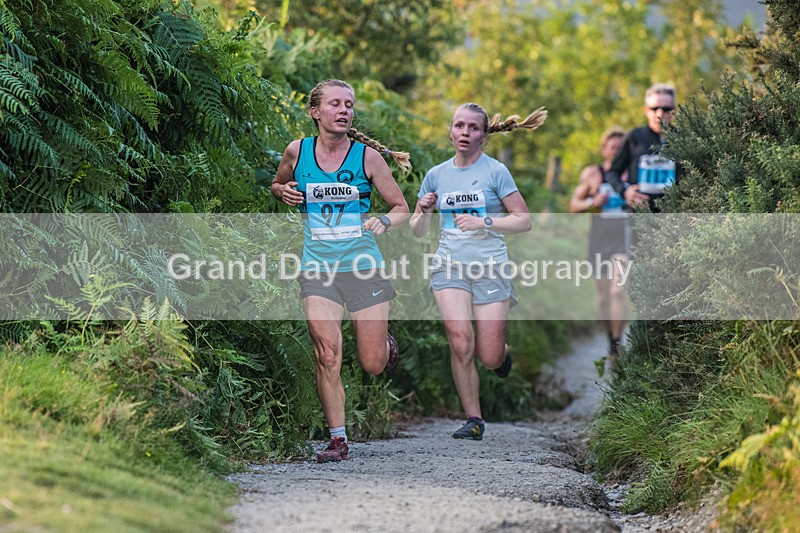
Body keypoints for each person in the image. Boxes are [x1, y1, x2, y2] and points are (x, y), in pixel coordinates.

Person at [271, 79, 410, 463]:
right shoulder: (297, 152)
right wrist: (282, 192)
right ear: (316, 112)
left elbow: (401, 207)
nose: (344, 110)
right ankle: (337, 439)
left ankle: (384, 345)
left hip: (363, 267)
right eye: (335, 104)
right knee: (327, 352)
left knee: (372, 363)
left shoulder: (367, 158)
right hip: (317, 267)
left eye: (349, 104)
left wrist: (384, 221)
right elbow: (278, 183)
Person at [409, 103, 546, 441]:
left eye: (472, 128)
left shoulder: (496, 171)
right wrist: (424, 211)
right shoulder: (436, 174)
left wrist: (484, 220)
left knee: (488, 356)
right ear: (451, 131)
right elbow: (416, 230)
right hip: (448, 264)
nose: (465, 133)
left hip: (490, 266)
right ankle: (473, 418)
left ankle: (502, 353)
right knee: (459, 340)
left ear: (484, 136)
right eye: (459, 126)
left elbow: (523, 220)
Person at [569, 126, 629, 358]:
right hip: (599, 240)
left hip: (624, 240)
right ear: (604, 150)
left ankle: (617, 344)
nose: (616, 152)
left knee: (618, 291)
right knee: (604, 297)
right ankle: (610, 336)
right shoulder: (593, 174)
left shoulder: (631, 175)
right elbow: (573, 205)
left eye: (621, 148)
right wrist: (593, 201)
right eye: (612, 147)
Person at [605, 83, 681, 211]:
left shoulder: (684, 138)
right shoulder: (635, 137)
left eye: (666, 109)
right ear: (646, 110)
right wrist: (625, 191)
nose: (660, 113)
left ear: (674, 110)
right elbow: (612, 172)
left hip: (676, 215)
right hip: (640, 215)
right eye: (654, 108)